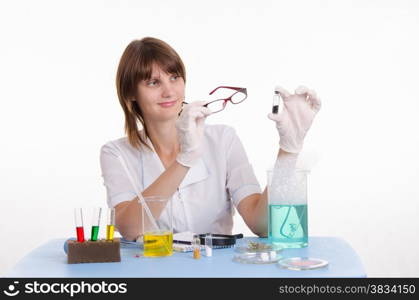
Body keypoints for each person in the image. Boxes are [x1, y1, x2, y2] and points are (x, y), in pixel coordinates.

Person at [100, 37, 321, 241]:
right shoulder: (116, 154)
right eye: (153, 82)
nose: (169, 91)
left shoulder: (223, 140)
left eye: (174, 77)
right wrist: (184, 160)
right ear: (130, 93)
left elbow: (260, 224)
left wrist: (289, 149)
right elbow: (130, 229)